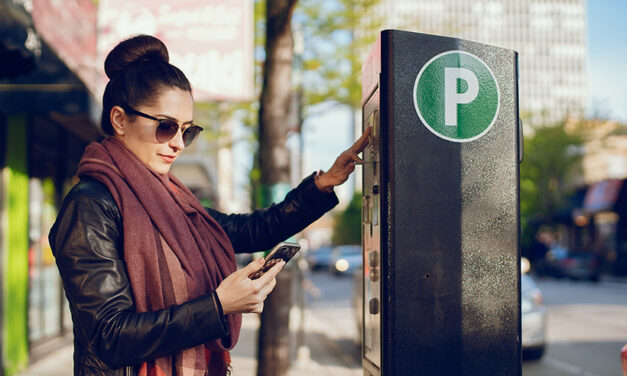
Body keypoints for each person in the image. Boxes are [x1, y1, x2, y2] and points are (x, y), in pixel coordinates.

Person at [49, 34, 371, 376]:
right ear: (119, 120)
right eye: (165, 127)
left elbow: (250, 230)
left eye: (187, 131)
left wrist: (322, 185)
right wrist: (218, 306)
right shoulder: (90, 206)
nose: (177, 144)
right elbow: (110, 337)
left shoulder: (172, 198)